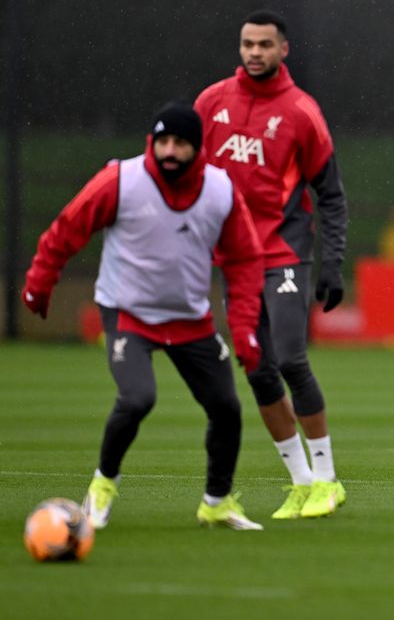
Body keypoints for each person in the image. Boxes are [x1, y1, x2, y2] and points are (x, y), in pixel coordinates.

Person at [22, 103, 265, 530]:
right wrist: (41, 280)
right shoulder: (122, 180)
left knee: (226, 407)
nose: (169, 151)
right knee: (137, 399)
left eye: (180, 143)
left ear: (198, 148)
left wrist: (244, 329)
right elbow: (67, 228)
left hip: (191, 319)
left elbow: (244, 260)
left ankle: (216, 502)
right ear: (152, 142)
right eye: (162, 141)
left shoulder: (220, 190)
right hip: (128, 312)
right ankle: (103, 486)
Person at [194, 10, 348, 520]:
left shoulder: (302, 111)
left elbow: (331, 194)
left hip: (284, 252)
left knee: (288, 359)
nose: (254, 52)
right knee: (257, 369)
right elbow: (187, 181)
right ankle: (301, 483)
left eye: (264, 44)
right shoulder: (211, 103)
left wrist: (332, 264)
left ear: (284, 49)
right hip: (232, 260)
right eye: (247, 43)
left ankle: (327, 481)